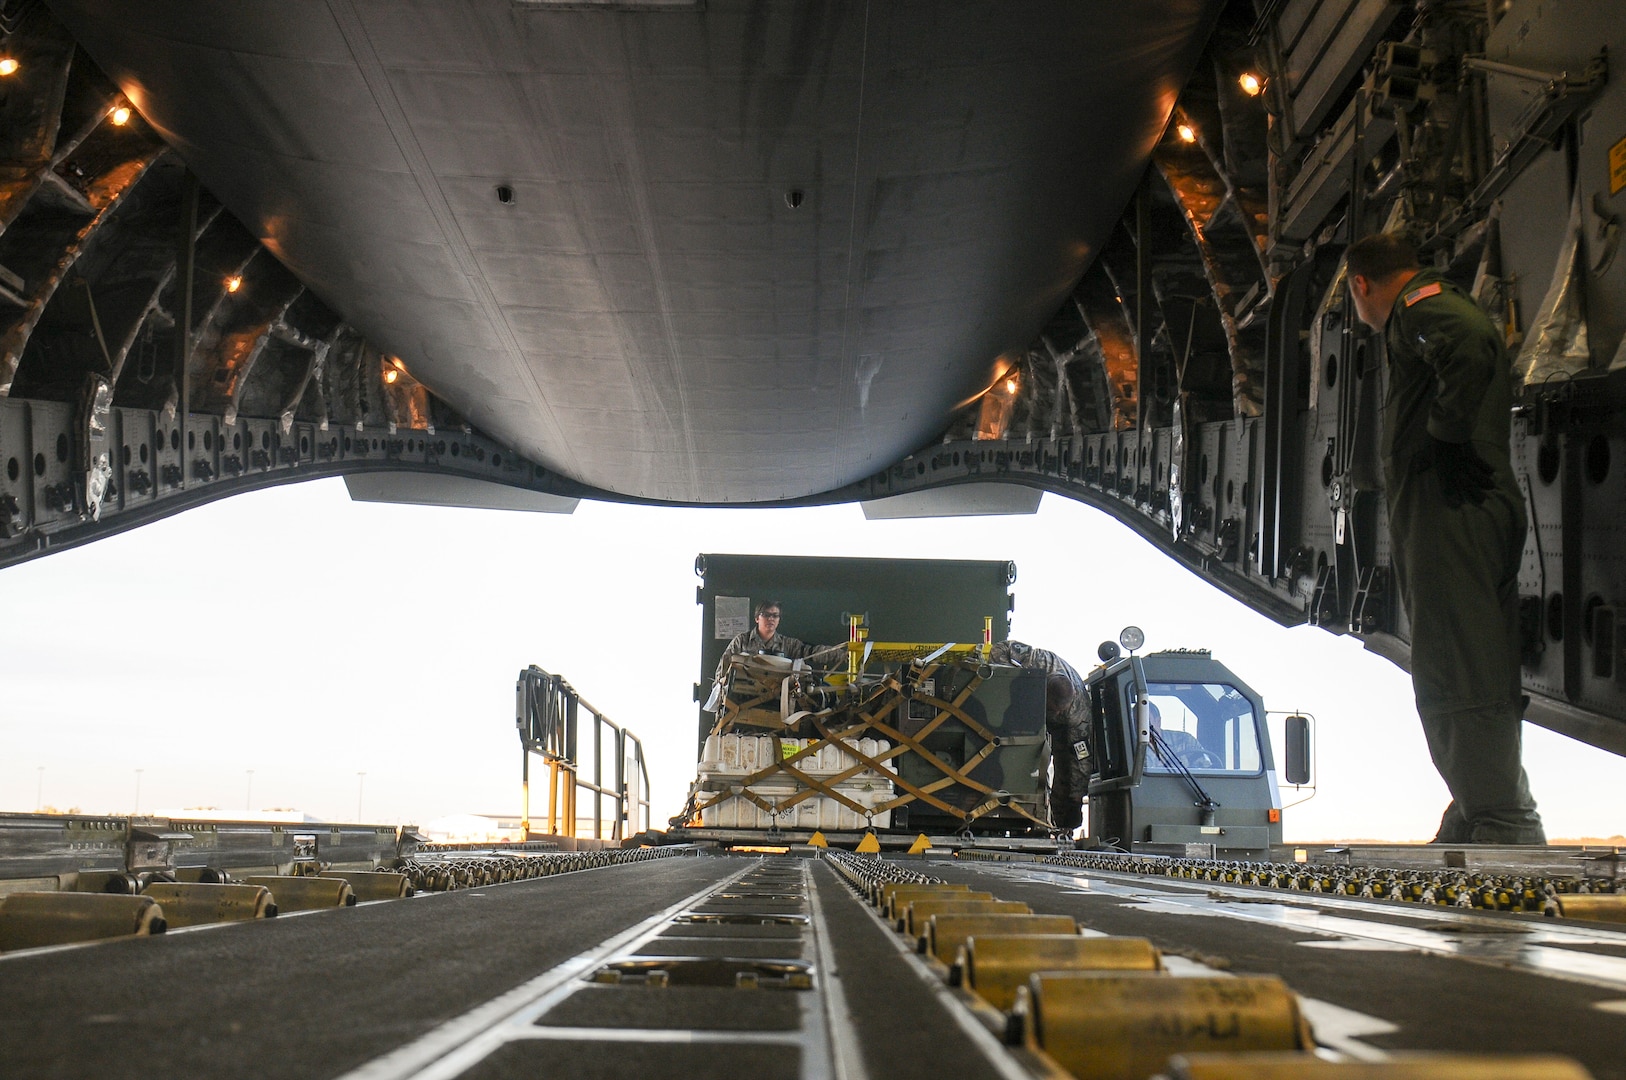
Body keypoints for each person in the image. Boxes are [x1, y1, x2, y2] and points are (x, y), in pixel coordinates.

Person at [1345, 232, 1544, 845]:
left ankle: (1502, 821)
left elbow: (1472, 342)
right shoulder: (1421, 308)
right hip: (1465, 509)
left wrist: (1446, 436)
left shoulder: (1415, 309)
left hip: (1449, 511)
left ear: (1361, 286)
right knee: (1474, 659)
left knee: (1454, 664)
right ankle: (1480, 804)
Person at [990, 641, 1089, 832]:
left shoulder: (1078, 717)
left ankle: (1056, 820)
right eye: (1052, 710)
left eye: (1058, 711)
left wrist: (1071, 808)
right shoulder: (1038, 661)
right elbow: (999, 649)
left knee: (1068, 770)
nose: (1056, 713)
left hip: (1062, 729)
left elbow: (1078, 764)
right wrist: (1011, 680)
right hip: (1026, 695)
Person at [712, 600, 843, 686]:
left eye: (775, 615)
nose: (771, 619)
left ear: (779, 619)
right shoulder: (741, 641)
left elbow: (813, 653)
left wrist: (842, 654)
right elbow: (722, 671)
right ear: (757, 618)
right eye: (766, 615)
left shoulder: (788, 644)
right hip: (743, 701)